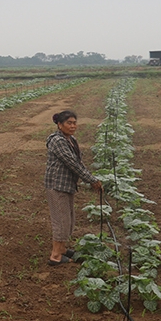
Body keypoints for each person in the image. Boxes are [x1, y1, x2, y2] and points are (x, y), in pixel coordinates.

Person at [45, 110, 102, 265]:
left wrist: (92, 179)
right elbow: (72, 163)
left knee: (68, 219)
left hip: (66, 185)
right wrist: (91, 180)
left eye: (74, 123)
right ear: (59, 124)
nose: (73, 126)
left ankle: (62, 249)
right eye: (69, 123)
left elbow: (79, 162)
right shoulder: (57, 141)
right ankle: (55, 256)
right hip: (57, 186)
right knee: (61, 220)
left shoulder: (70, 139)